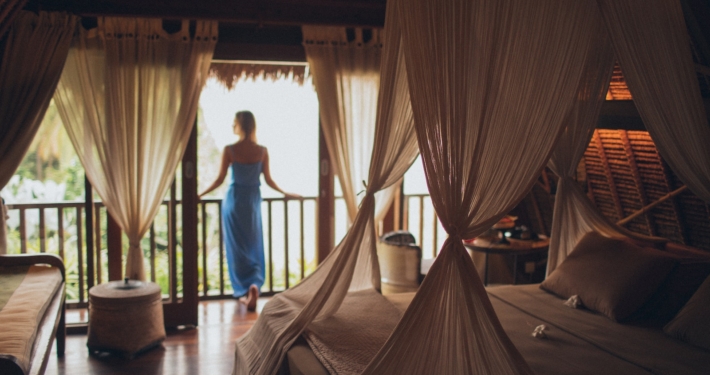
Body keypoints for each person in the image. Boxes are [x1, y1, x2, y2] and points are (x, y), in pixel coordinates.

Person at [199, 111, 300, 311]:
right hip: (252, 203)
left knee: (237, 249)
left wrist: (199, 195)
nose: (232, 126)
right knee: (254, 245)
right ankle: (254, 285)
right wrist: (286, 193)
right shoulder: (262, 151)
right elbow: (269, 181)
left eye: (234, 122)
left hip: (234, 202)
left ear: (241, 125)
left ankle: (245, 290)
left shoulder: (230, 150)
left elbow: (219, 180)